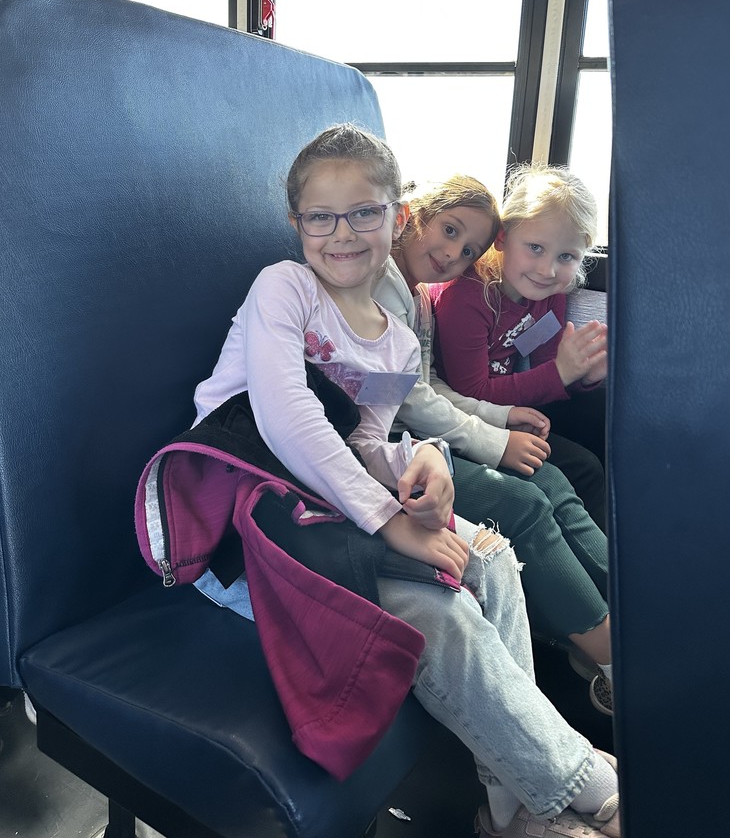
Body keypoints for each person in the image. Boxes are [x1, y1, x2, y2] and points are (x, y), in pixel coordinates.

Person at [192, 125, 621, 838]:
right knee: (439, 617)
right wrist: (392, 521)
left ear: (397, 215)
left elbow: (363, 441)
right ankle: (577, 784)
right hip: (244, 525)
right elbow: (287, 417)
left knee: (492, 557)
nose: (343, 233)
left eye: (365, 212)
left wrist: (418, 463)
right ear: (297, 223)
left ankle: (512, 806)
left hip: (329, 516)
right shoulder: (286, 288)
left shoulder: (393, 337)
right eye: (320, 216)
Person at [372, 174, 613, 713]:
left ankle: (616, 607)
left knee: (554, 474)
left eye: (468, 249)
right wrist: (493, 436)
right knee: (524, 500)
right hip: (390, 443)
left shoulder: (416, 301)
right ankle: (609, 653)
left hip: (423, 428)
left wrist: (504, 420)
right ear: (410, 215)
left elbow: (428, 389)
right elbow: (401, 400)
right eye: (448, 231)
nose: (452, 254)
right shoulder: (400, 292)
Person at [431, 163, 608, 480]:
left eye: (566, 256)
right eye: (535, 248)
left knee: (603, 418)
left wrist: (582, 375)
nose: (547, 270)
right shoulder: (467, 297)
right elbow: (470, 392)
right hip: (464, 416)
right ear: (502, 237)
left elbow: (547, 368)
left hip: (511, 404)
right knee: (586, 470)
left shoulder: (550, 293)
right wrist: (560, 373)